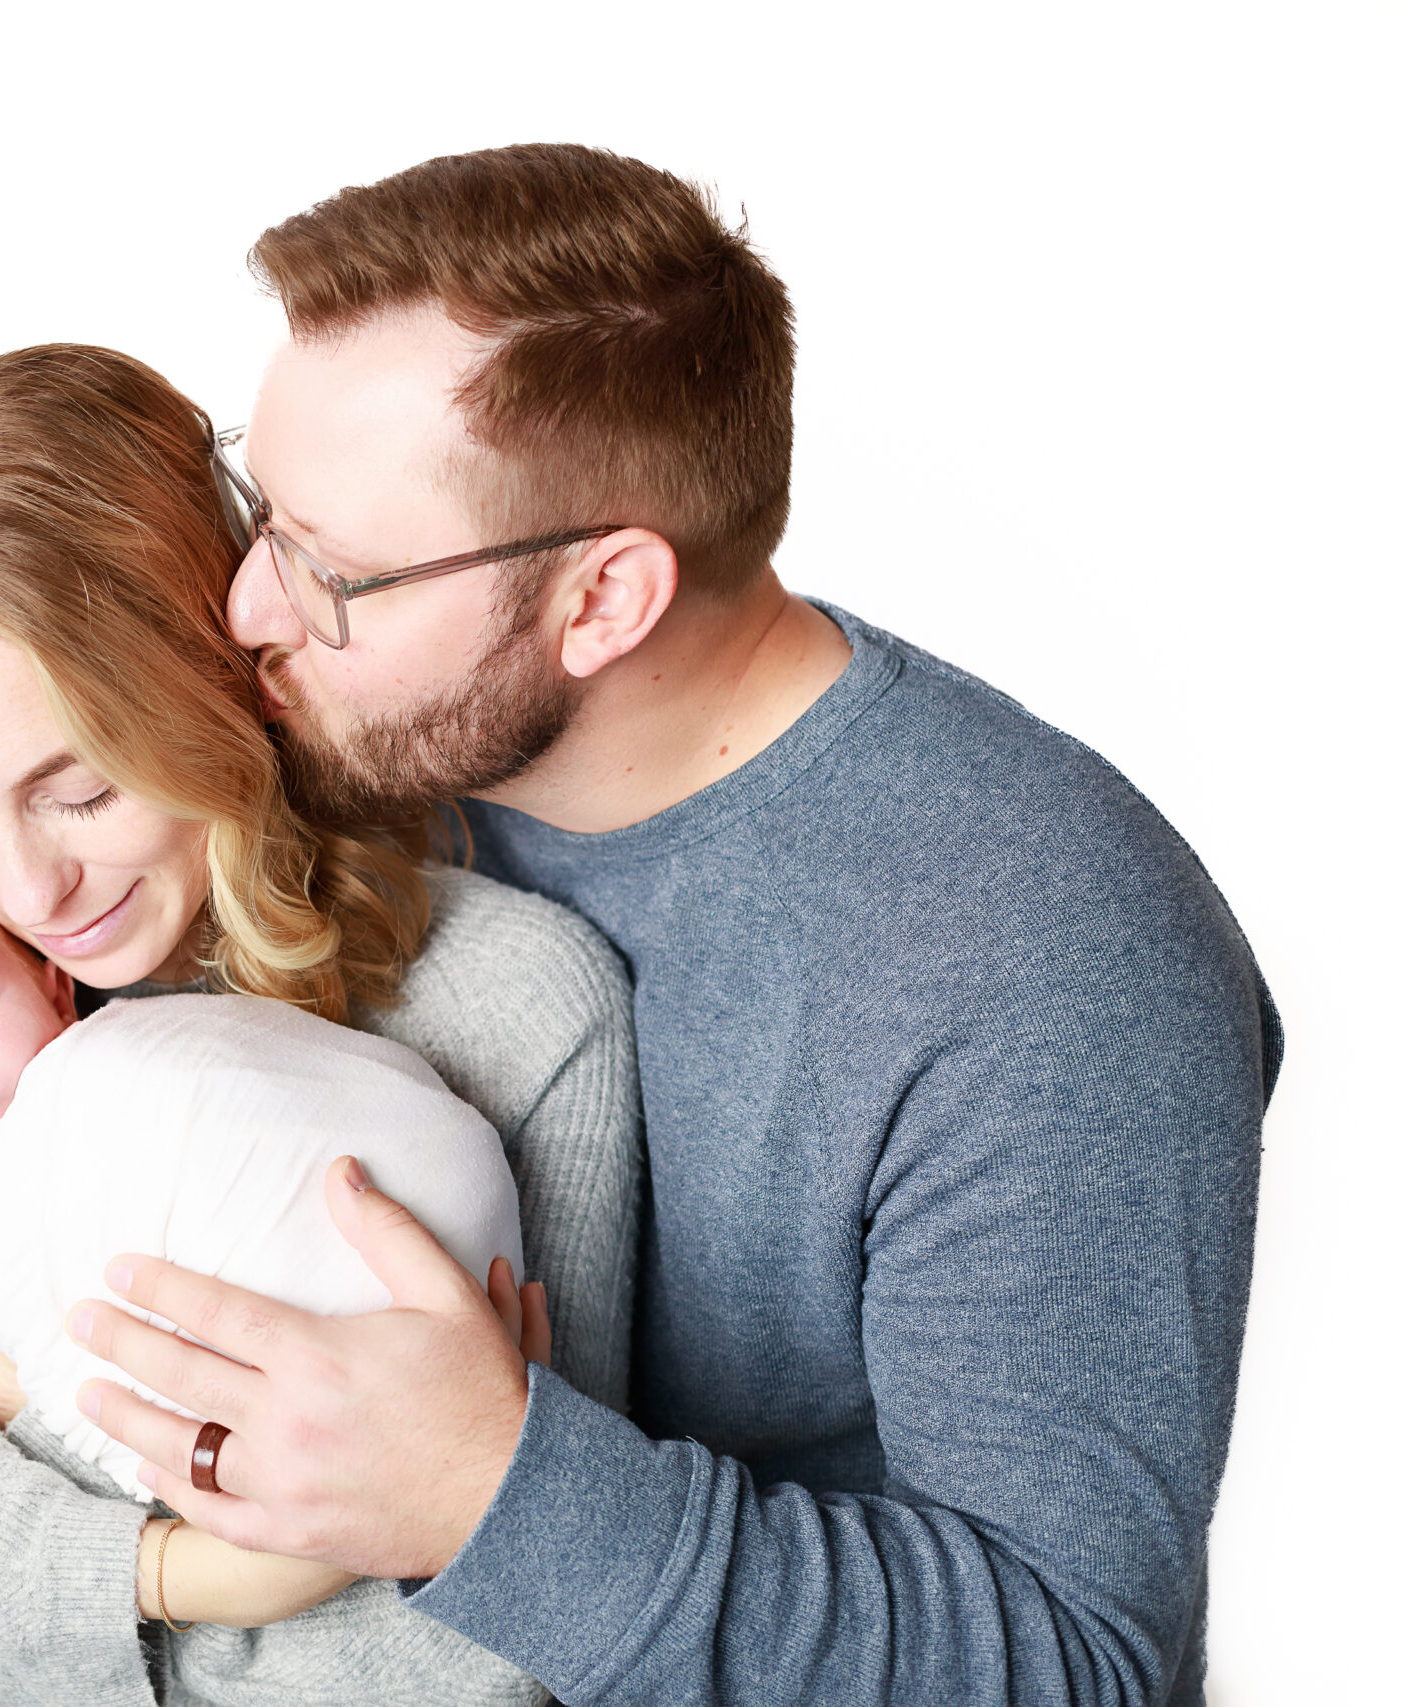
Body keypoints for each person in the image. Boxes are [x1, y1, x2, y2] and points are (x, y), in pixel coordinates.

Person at [67, 144, 1280, 1706]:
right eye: (261, 510)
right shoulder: (354, 735)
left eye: (333, 570)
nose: (246, 610)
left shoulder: (1049, 958)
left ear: (603, 600)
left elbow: (1070, 1663)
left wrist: (495, 1490)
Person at [0, 343, 643, 1706]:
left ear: (216, 683)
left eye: (84, 791)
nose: (27, 890)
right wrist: (186, 1575)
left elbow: (441, 1672)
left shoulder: (507, 1011)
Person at [0, 864, 537, 1502]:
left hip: (422, 1330)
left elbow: (94, 1410)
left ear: (55, 990)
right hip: (463, 1288)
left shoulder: (94, 1079)